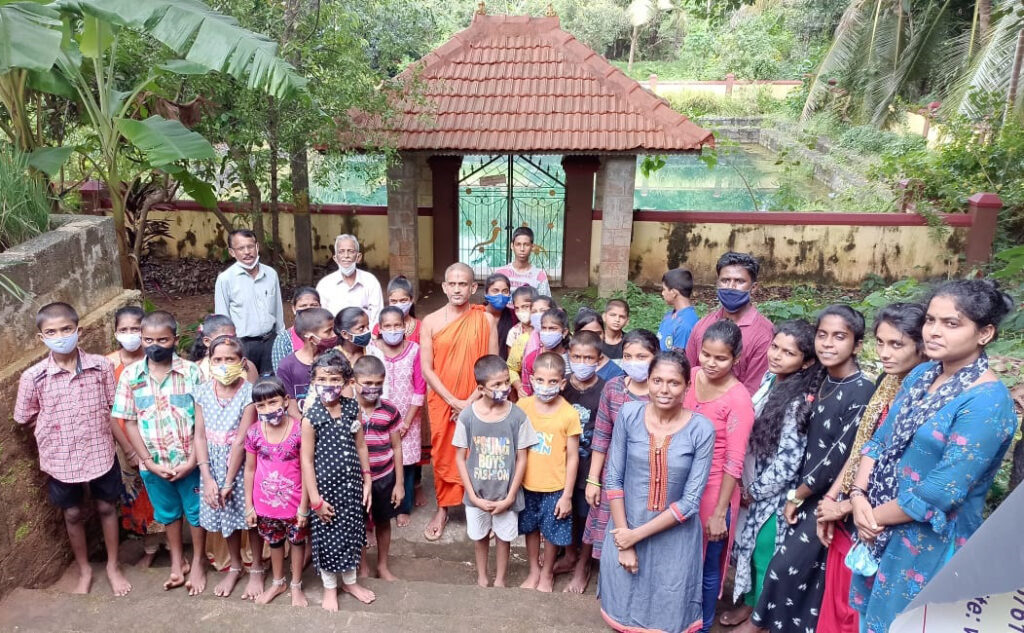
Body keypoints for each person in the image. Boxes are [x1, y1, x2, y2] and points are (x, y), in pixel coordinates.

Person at [849, 280, 1018, 633]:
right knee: (869, 621)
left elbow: (941, 491)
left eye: (951, 323)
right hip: (878, 527)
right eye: (930, 320)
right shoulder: (922, 374)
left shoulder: (987, 402)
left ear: (985, 333)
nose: (934, 331)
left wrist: (871, 517)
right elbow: (880, 440)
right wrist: (858, 496)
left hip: (926, 545)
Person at [741, 305, 875, 633]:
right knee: (801, 574)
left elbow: (839, 455)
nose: (828, 343)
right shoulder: (822, 380)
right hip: (804, 490)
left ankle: (757, 624)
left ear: (857, 345)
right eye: (822, 335)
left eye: (839, 337)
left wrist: (797, 496)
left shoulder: (861, 390)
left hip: (826, 496)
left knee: (784, 566)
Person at [814, 303, 927, 633]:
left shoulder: (924, 394)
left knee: (862, 613)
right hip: (857, 502)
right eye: (880, 342)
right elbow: (864, 445)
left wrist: (847, 506)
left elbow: (909, 473)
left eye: (896, 344)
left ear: (921, 345)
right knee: (840, 599)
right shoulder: (888, 381)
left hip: (885, 518)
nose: (885, 353)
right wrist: (834, 499)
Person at [15, 302, 132, 596]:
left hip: (100, 451)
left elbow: (112, 405)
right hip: (61, 458)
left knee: (107, 506)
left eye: (66, 329)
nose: (60, 336)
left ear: (78, 331)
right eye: (52, 332)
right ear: (41, 337)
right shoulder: (34, 377)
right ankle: (84, 569)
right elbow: (24, 416)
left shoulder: (100, 366)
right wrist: (52, 429)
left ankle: (113, 565)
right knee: (72, 513)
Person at [598, 351, 715, 633]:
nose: (664, 389)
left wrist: (633, 537)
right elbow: (613, 478)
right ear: (648, 381)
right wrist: (625, 541)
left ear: (687, 386)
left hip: (674, 542)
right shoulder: (629, 414)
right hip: (625, 526)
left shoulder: (701, 429)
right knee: (623, 610)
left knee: (667, 616)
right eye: (657, 380)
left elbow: (690, 502)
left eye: (674, 383)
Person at [724, 320, 821, 629]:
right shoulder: (770, 380)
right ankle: (749, 604)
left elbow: (788, 462)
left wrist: (754, 490)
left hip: (774, 493)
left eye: (788, 353)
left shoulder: (798, 401)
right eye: (775, 347)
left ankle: (760, 618)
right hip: (751, 482)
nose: (776, 355)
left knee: (765, 553)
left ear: (806, 362)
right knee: (748, 548)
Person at [112, 310, 206, 595]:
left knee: (196, 513)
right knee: (167, 514)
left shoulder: (191, 372)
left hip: (189, 461)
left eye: (162, 340)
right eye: (148, 340)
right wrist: (148, 461)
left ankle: (198, 561)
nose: (155, 346)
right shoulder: (130, 376)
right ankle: (177, 561)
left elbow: (201, 417)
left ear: (175, 339)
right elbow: (128, 420)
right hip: (153, 465)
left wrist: (193, 460)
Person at [684, 321, 756, 633]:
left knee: (707, 562)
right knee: (679, 557)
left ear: (736, 358)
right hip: (680, 482)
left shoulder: (738, 400)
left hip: (714, 490)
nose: (711, 363)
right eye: (706, 355)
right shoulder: (689, 377)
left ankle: (702, 624)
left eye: (721, 358)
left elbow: (734, 462)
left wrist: (719, 513)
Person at [420, 262, 498, 541]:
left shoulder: (486, 320)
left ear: (473, 287)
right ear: (444, 287)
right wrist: (453, 400)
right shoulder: (430, 322)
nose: (457, 289)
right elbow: (427, 369)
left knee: (478, 454)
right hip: (443, 400)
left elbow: (493, 367)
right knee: (444, 452)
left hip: (478, 400)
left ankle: (478, 508)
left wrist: (469, 402)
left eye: (462, 284)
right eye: (451, 284)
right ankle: (443, 508)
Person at [300, 350, 376, 610]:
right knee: (329, 539)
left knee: (352, 534)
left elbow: (361, 445)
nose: (328, 385)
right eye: (322, 379)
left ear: (346, 382)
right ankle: (330, 588)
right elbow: (306, 461)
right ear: (313, 381)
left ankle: (350, 582)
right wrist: (315, 500)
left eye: (335, 379)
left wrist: (367, 479)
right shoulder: (311, 418)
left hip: (352, 488)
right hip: (325, 492)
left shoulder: (352, 408)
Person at [453, 355, 536, 588]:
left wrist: (510, 497)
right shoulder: (467, 416)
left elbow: (522, 458)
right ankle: (482, 576)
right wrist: (473, 496)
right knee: (479, 537)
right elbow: (460, 458)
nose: (505, 388)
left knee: (503, 537)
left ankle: (500, 579)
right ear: (481, 389)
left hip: (506, 495)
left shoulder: (517, 416)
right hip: (476, 495)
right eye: (497, 384)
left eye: (506, 382)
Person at [192, 335, 260, 600]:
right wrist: (208, 478)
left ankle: (256, 567)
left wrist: (229, 480)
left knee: (249, 516)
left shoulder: (249, 394)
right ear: (209, 361)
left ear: (242, 362)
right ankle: (235, 566)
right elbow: (200, 436)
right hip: (212, 466)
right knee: (225, 517)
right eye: (217, 359)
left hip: (241, 467)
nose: (223, 364)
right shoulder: (202, 392)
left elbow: (241, 439)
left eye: (229, 359)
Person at [583, 329, 658, 561]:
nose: (633, 362)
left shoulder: (662, 392)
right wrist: (593, 480)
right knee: (609, 537)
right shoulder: (613, 388)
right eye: (628, 356)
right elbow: (601, 436)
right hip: (613, 475)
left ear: (656, 357)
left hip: (648, 477)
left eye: (641, 356)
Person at [106, 305, 166, 567]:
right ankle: (150, 546)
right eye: (124, 329)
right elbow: (109, 410)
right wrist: (128, 448)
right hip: (124, 441)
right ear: (115, 332)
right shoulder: (108, 364)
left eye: (135, 329)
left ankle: (171, 544)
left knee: (163, 491)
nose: (130, 334)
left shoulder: (157, 359)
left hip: (158, 438)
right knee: (138, 497)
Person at [518, 352, 581, 593]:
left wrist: (567, 495)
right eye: (541, 380)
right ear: (532, 379)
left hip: (555, 486)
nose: (545, 386)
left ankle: (547, 573)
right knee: (530, 528)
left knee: (552, 531)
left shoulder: (568, 414)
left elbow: (573, 457)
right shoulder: (522, 407)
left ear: (562, 383)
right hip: (527, 484)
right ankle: (534, 570)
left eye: (553, 381)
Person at [243, 377, 309, 607]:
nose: (267, 409)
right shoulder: (253, 432)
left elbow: (307, 469)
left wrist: (304, 507)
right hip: (265, 505)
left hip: (295, 504)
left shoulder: (300, 430)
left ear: (286, 400)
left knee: (297, 542)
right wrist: (249, 506)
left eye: (272, 402)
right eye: (261, 405)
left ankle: (296, 585)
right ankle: (278, 582)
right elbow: (249, 469)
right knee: (274, 542)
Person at [552, 330, 607, 594]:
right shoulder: (561, 386)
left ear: (599, 360)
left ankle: (583, 564)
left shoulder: (605, 389)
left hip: (591, 465)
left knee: (587, 514)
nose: (582, 363)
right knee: (567, 510)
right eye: (576, 357)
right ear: (568, 355)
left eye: (588, 358)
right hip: (561, 463)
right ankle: (570, 554)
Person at [685, 252, 774, 395]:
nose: (731, 287)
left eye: (739, 281)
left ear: (754, 287)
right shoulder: (702, 325)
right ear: (717, 282)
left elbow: (753, 392)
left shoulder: (764, 335)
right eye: (725, 280)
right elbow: (688, 374)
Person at [352, 355, 404, 581]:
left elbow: (397, 447)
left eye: (378, 383)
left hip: (384, 476)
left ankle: (382, 566)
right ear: (354, 382)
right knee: (359, 522)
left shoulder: (390, 410)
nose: (373, 388)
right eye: (367, 383)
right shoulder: (347, 410)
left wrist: (399, 484)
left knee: (383, 521)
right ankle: (362, 566)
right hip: (356, 479)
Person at [373, 306, 426, 528]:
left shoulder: (415, 350)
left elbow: (420, 388)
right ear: (380, 328)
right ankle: (382, 506)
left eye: (397, 325)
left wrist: (407, 422)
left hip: (408, 417)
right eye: (388, 326)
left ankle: (403, 506)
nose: (393, 330)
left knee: (406, 463)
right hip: (379, 416)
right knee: (381, 460)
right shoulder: (373, 350)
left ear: (405, 327)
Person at [214, 229, 285, 375]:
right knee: (245, 384)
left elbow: (278, 310)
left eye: (250, 246)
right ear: (232, 252)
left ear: (257, 247)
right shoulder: (225, 279)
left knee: (271, 384)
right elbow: (222, 317)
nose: (247, 252)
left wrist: (281, 339)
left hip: (270, 341)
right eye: (241, 248)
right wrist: (228, 348)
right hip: (242, 344)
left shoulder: (271, 274)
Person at [276, 307, 336, 419]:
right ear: (311, 339)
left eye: (333, 330)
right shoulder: (287, 366)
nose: (334, 335)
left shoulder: (335, 359)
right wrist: (308, 427)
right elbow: (292, 410)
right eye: (328, 331)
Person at [316, 234, 384, 323]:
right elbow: (321, 318)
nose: (346, 256)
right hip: (335, 331)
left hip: (365, 331)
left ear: (358, 257)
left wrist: (366, 331)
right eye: (341, 251)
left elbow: (377, 316)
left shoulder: (370, 281)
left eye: (351, 251)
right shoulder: (324, 285)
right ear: (335, 258)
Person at [190, 314, 259, 384]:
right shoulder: (196, 369)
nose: (230, 342)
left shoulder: (247, 366)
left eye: (233, 338)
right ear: (207, 341)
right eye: (223, 339)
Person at [508, 293, 551, 399]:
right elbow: (511, 368)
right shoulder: (522, 340)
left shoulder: (565, 338)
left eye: (543, 311)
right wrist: (519, 386)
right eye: (534, 312)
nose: (539, 315)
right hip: (530, 398)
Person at [270, 287, 321, 373]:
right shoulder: (283, 339)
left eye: (313, 305)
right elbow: (282, 374)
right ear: (294, 309)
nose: (308, 309)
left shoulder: (329, 335)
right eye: (303, 306)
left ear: (320, 307)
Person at [521, 307, 570, 394]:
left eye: (552, 328)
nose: (547, 332)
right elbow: (527, 392)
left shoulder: (573, 357)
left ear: (564, 332)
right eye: (544, 328)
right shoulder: (531, 359)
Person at [334, 307, 387, 385]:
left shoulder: (375, 354)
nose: (367, 331)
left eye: (367, 326)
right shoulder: (333, 358)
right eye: (361, 328)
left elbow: (384, 383)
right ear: (345, 334)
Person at [494, 226, 551, 296]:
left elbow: (545, 301)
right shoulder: (500, 273)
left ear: (532, 247)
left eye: (526, 244)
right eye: (518, 244)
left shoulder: (539, 275)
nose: (522, 249)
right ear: (512, 246)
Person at [573, 308, 625, 382]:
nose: (593, 338)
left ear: (604, 334)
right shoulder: (565, 364)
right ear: (575, 335)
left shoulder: (615, 373)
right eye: (586, 333)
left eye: (597, 334)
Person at [371, 275, 422, 344]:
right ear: (388, 301)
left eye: (403, 300)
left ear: (412, 299)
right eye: (394, 301)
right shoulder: (379, 328)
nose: (398, 305)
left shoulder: (421, 328)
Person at [659, 268, 700, 352]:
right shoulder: (669, 315)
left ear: (674, 293)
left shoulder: (685, 325)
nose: (662, 293)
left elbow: (678, 358)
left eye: (664, 289)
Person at [482, 273, 516, 359]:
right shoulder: (477, 314)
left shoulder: (514, 316)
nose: (500, 295)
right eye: (495, 291)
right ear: (486, 293)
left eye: (505, 291)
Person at [505, 285, 537, 368]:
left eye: (525, 306)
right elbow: (512, 367)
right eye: (517, 308)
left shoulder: (544, 329)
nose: (520, 311)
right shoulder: (514, 332)